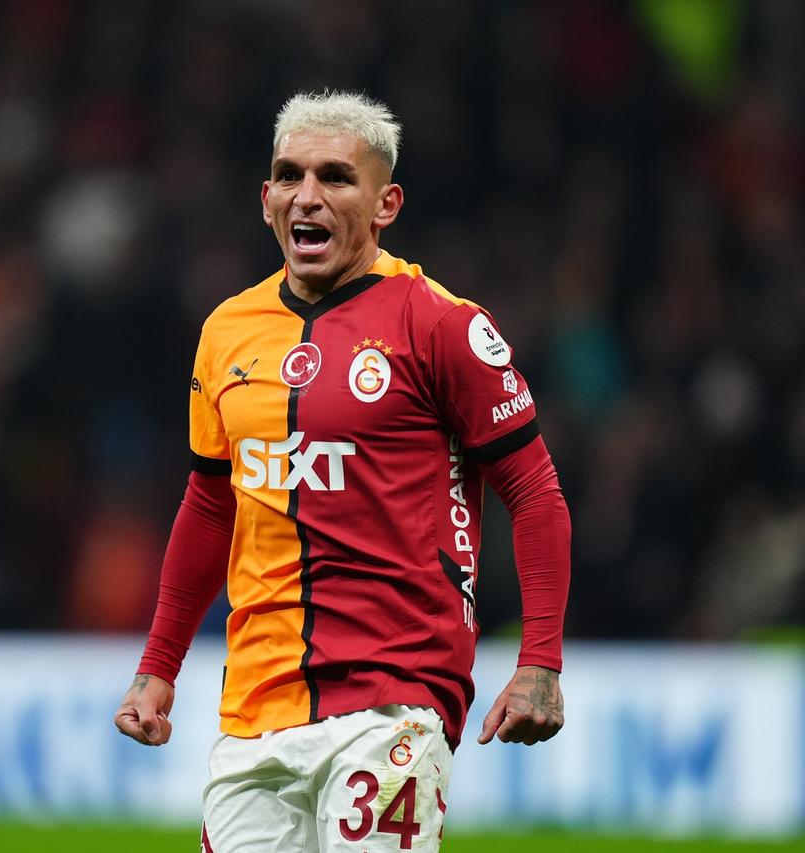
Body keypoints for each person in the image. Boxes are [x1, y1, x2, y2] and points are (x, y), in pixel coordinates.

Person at [114, 90, 572, 852]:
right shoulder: (226, 332)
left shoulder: (441, 324)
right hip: (254, 707)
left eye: (335, 177)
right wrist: (159, 666)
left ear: (385, 202)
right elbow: (209, 503)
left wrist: (540, 661)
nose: (308, 196)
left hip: (393, 698)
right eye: (289, 175)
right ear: (265, 200)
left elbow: (535, 491)